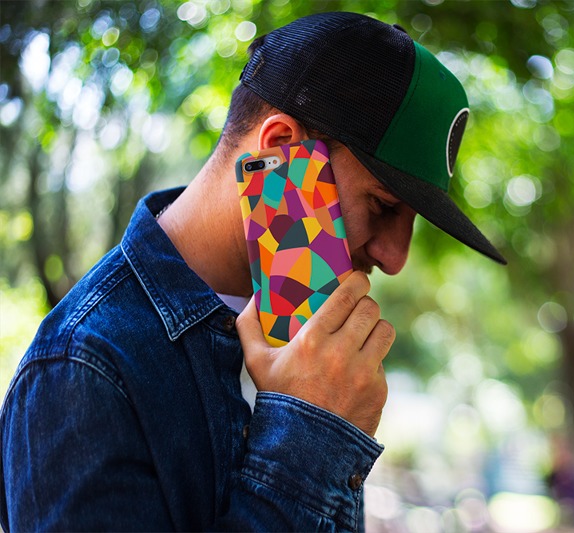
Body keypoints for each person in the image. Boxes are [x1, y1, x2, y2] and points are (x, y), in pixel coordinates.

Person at [0, 11, 506, 531]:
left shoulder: (308, 341)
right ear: (281, 149)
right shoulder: (82, 369)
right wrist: (310, 431)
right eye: (382, 205)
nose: (395, 258)